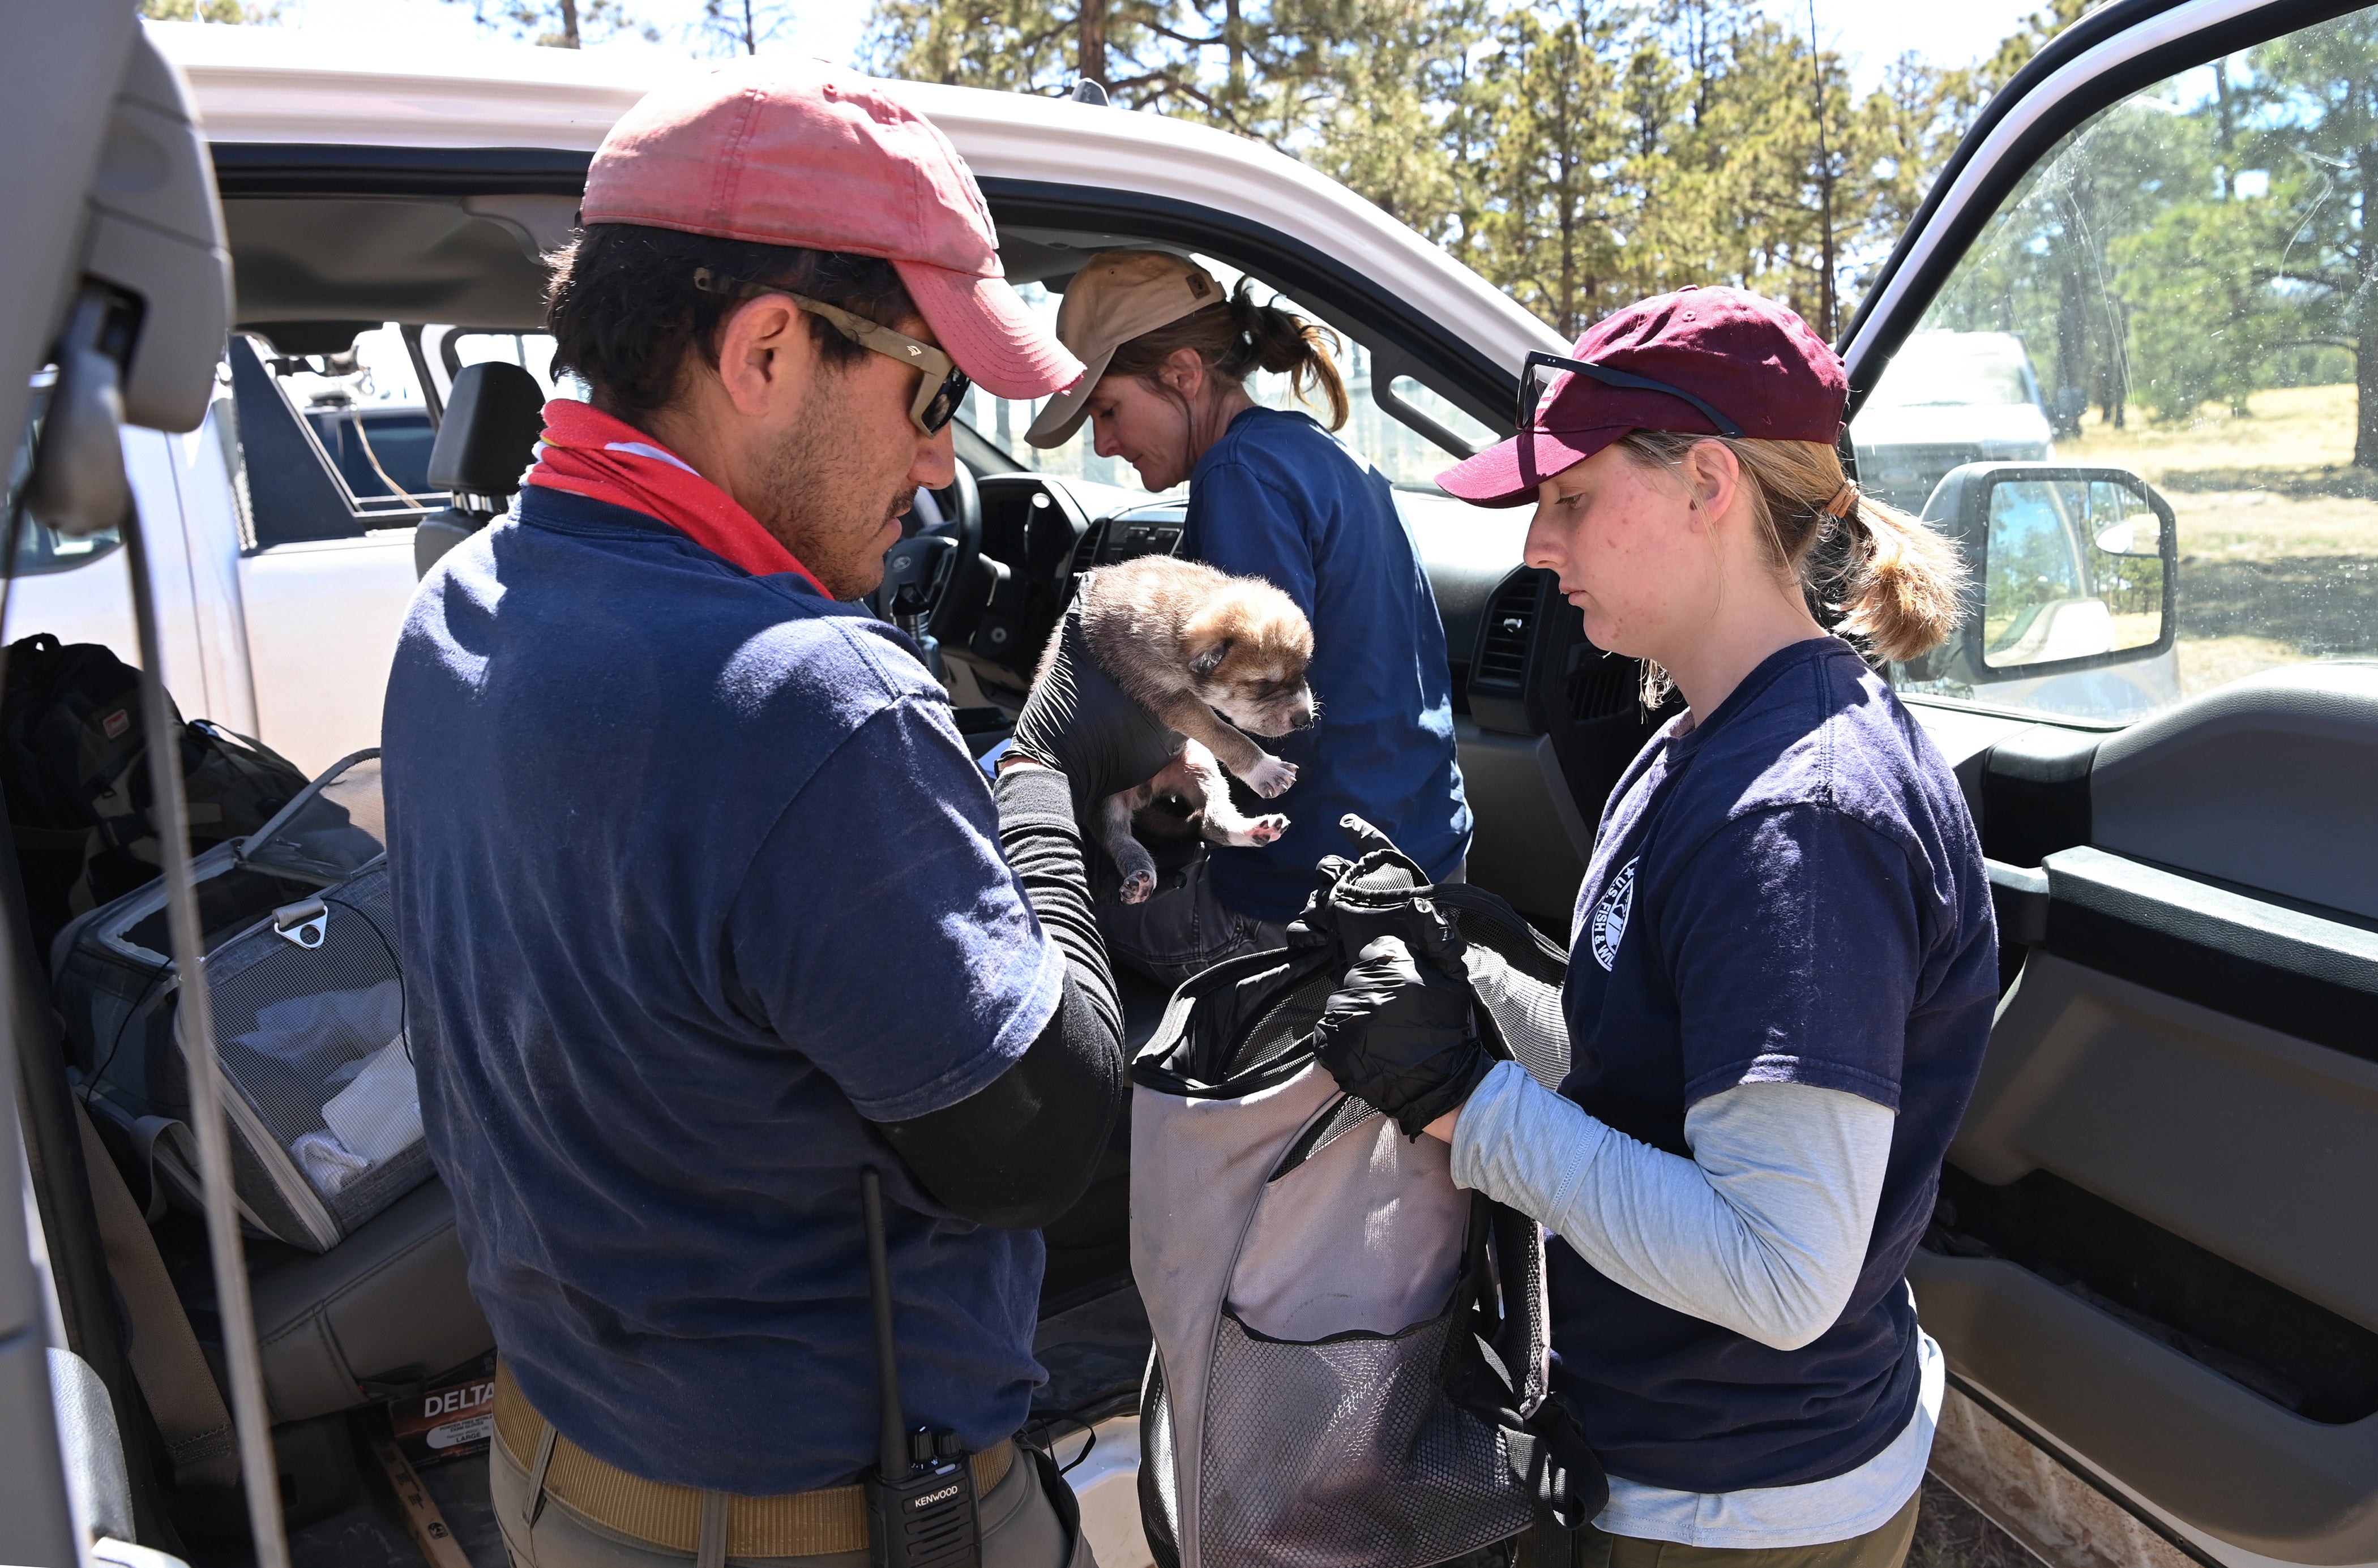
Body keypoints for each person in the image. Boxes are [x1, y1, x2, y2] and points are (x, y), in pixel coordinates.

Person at [382, 61, 1154, 1568]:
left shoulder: (466, 606)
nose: (944, 463)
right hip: (821, 1523)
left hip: (563, 1467)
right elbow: (1034, 1141)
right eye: (930, 392)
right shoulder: (807, 704)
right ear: (764, 351)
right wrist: (1051, 768)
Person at [1311, 287, 1999, 1568]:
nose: (1537, 544)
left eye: (1571, 496)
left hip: (1745, 1500)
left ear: (1708, 482)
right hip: (1665, 1447)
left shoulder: (1801, 822)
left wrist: (1464, 1103)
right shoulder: (1692, 743)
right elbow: (1640, 1074)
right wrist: (1469, 971)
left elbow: (1780, 1271)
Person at [1023, 251, 1470, 984]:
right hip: (1426, 847)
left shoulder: (1238, 481)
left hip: (1296, 902)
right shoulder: (1306, 454)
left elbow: (1263, 705)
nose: (1103, 444)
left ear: (1183, 375)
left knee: (1062, 915)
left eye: (1108, 411)